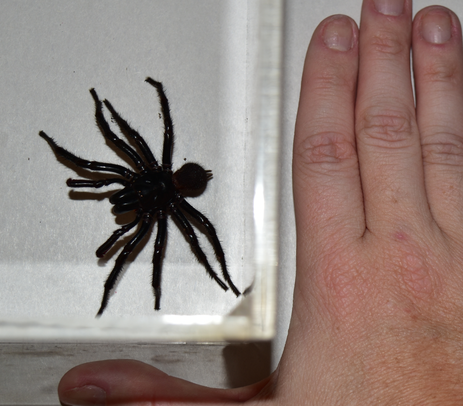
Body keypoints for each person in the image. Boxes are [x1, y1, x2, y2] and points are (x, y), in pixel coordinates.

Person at [58, 0, 463, 404]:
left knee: (142, 201)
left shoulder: (150, 192)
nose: (121, 199)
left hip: (177, 185)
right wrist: (114, 106)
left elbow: (127, 147)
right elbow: (130, 158)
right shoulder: (153, 194)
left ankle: (218, 278)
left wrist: (125, 104)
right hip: (173, 187)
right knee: (145, 210)